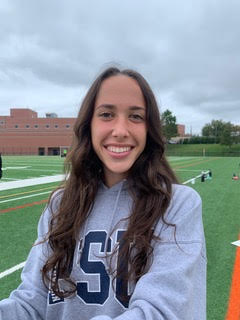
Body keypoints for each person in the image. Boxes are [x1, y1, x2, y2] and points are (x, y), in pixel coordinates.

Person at [0, 67, 206, 319]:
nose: (120, 130)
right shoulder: (60, 205)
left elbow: (160, 311)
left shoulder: (177, 204)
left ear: (149, 128)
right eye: (107, 114)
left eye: (136, 116)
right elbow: (31, 302)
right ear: (89, 124)